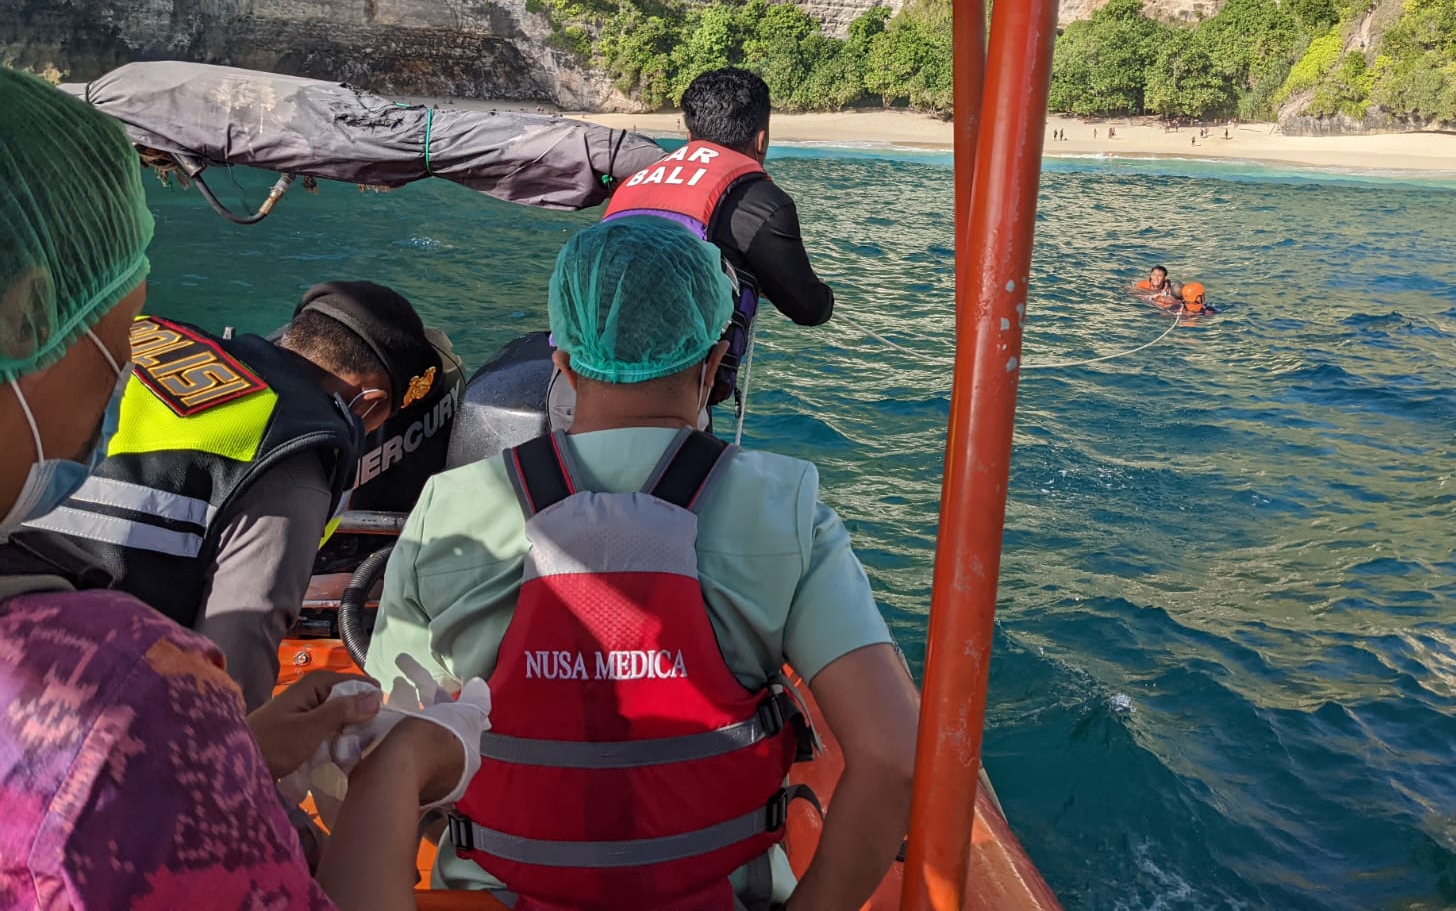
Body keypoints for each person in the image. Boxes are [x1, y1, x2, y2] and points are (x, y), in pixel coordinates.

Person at [0, 67, 481, 910]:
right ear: (30, 318)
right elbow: (241, 655)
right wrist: (367, 784)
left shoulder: (171, 344)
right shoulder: (294, 450)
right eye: (111, 350)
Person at [369, 215, 917, 911]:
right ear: (713, 365)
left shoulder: (448, 507)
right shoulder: (787, 507)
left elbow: (388, 750)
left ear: (563, 365)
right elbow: (895, 757)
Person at [16, 278, 441, 709]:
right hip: (69, 697)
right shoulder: (292, 458)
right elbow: (233, 673)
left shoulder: (147, 340)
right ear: (367, 404)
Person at [550, 67, 833, 428]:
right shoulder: (763, 203)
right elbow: (809, 307)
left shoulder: (640, 179)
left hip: (577, 383)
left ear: (688, 134)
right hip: (669, 401)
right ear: (761, 140)